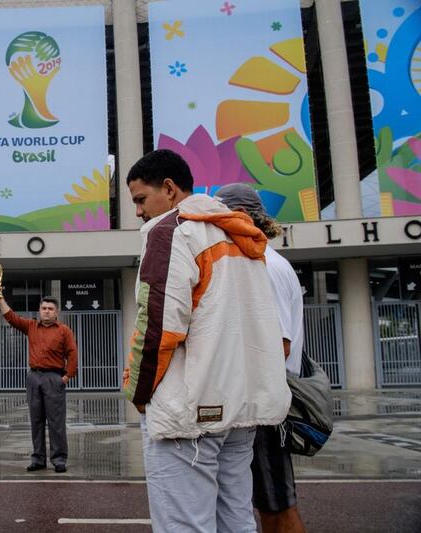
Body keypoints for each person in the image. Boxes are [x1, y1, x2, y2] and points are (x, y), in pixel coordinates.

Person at [124, 149, 291, 532]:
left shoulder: (172, 231)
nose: (137, 211)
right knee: (236, 519)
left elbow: (159, 327)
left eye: (139, 199)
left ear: (168, 189)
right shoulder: (241, 236)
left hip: (189, 410)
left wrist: (139, 391)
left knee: (184, 524)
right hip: (241, 406)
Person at [216, 182, 307, 533]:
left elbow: (278, 344)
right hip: (263, 400)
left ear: (239, 218)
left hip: (265, 405)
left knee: (277, 508)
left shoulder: (264, 264)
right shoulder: (263, 259)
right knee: (267, 504)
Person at [0, 294, 77, 473]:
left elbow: (72, 353)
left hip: (54, 378)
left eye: (50, 309)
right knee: (36, 420)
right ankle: (38, 458)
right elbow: (11, 318)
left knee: (56, 421)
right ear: (39, 310)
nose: (46, 311)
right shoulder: (31, 326)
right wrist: (0, 298)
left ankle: (59, 458)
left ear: (57, 313)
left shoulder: (64, 330)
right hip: (34, 377)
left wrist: (67, 376)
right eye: (44, 308)